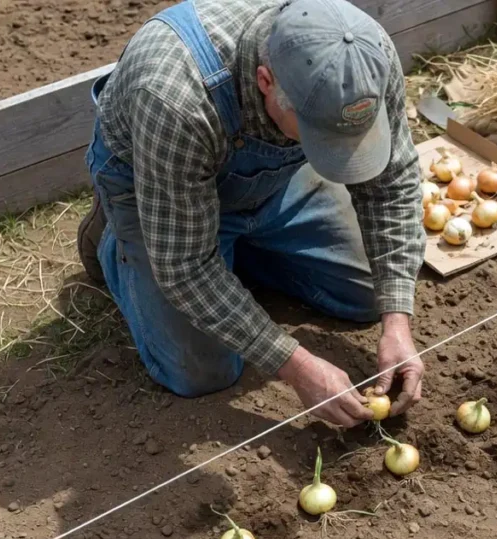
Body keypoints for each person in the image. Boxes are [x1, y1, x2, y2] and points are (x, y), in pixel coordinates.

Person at [76, 0, 426, 428]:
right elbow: (184, 266)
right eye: (323, 136)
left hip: (270, 180)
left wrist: (398, 322)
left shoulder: (361, 58)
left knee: (373, 291)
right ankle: (115, 241)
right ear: (266, 81)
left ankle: (236, 251)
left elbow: (393, 182)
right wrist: (296, 366)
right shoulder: (176, 95)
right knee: (202, 372)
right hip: (155, 187)